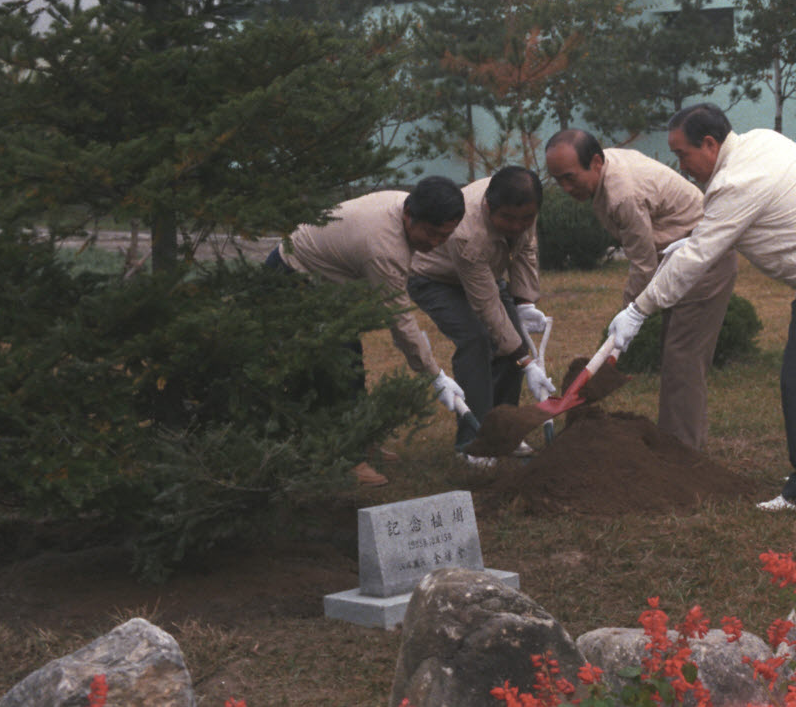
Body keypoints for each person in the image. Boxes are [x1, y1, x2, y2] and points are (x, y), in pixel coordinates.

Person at [606, 104, 796, 511]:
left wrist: (638, 310)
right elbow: (736, 223)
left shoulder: (735, 182)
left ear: (710, 143)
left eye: (683, 154)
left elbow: (697, 260)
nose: (681, 167)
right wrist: (697, 239)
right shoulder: (760, 142)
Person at [267, 175, 467, 487]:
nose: (435, 243)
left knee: (351, 359)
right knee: (335, 367)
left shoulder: (409, 206)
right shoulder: (384, 247)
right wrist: (434, 375)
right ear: (408, 215)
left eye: (444, 236)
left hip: (327, 281)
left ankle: (362, 440)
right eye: (430, 233)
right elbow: (399, 319)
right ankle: (346, 458)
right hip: (293, 275)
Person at [545, 128, 736, 450]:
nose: (565, 188)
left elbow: (643, 264)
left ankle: (683, 452)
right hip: (676, 262)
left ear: (595, 162)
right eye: (557, 180)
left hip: (704, 262)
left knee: (683, 359)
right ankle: (675, 441)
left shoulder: (623, 195)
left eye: (569, 177)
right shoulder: (605, 169)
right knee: (674, 354)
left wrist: (629, 313)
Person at [408, 166, 556, 466]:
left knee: (511, 342)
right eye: (509, 219)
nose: (518, 226)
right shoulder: (467, 233)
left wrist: (524, 301)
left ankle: (503, 431)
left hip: (486, 273)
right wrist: (526, 361)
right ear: (488, 206)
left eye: (525, 219)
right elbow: (486, 305)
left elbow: (526, 250)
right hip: (435, 279)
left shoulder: (524, 205)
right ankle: (473, 441)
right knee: (478, 340)